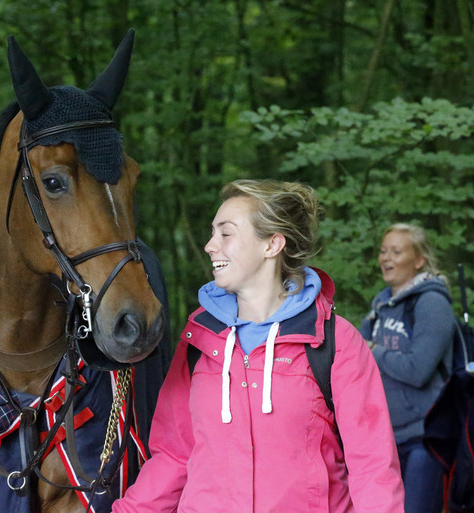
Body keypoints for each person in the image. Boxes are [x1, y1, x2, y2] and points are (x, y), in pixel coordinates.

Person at [112, 179, 404, 513]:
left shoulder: (333, 341)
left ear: (272, 245)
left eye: (226, 233)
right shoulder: (198, 341)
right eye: (212, 233)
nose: (210, 245)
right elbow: (175, 457)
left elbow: (373, 466)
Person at [359, 223, 454, 513]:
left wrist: (376, 350)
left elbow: (418, 369)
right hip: (384, 438)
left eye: (396, 251)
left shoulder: (432, 303)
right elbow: (360, 362)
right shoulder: (381, 305)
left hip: (425, 438)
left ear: (419, 260)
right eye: (383, 251)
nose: (386, 258)